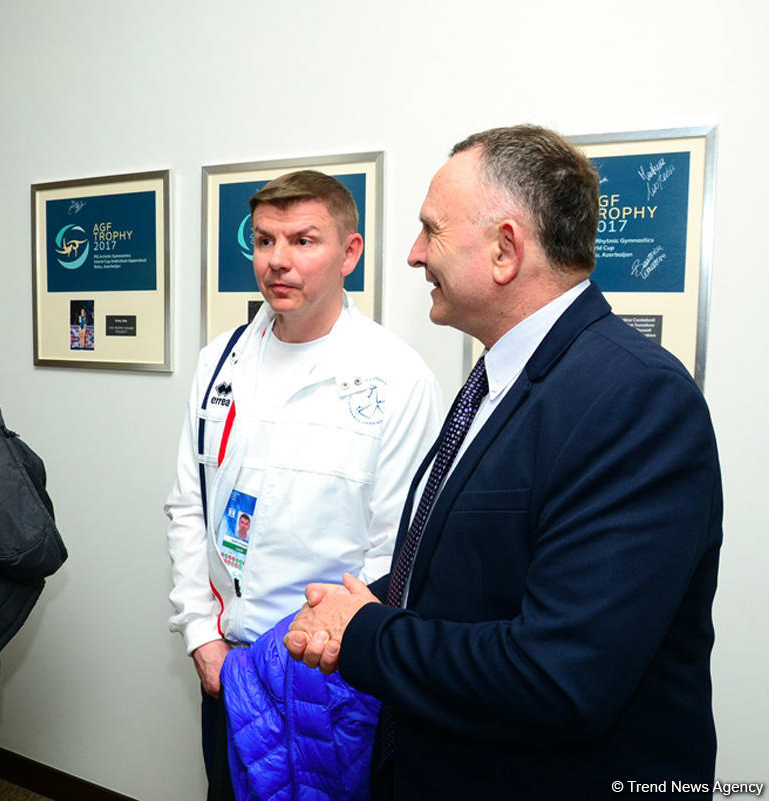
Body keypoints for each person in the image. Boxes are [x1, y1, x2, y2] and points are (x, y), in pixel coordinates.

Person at [286, 125, 723, 800]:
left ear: (504, 249)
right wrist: (378, 597)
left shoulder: (635, 397)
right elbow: (482, 569)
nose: (412, 253)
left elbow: (560, 676)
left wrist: (367, 631)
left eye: (430, 230)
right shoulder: (502, 375)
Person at [164, 170, 443, 798]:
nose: (277, 262)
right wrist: (200, 634)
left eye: (303, 241)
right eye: (264, 241)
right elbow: (190, 507)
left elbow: (400, 550)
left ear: (350, 253)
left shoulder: (397, 378)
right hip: (229, 664)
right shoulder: (219, 363)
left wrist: (323, 650)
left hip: (329, 674)